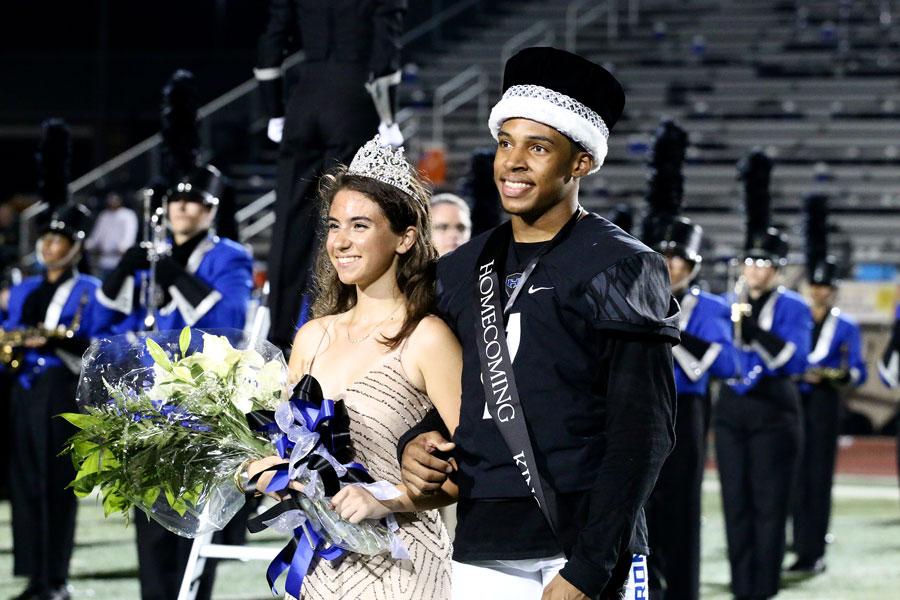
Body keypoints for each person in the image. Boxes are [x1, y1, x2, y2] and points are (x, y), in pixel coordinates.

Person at [398, 47, 680, 600]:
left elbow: (644, 430)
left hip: (581, 544)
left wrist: (588, 567)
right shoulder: (456, 271)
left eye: (538, 147)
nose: (513, 162)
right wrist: (417, 439)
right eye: (506, 142)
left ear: (581, 163)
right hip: (484, 540)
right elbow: (451, 391)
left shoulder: (621, 264)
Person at [249, 135, 458, 599]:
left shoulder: (428, 338)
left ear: (405, 237)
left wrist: (387, 497)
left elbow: (474, 468)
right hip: (321, 566)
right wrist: (268, 471)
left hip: (405, 567)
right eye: (334, 225)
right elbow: (291, 453)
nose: (340, 241)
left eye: (360, 225)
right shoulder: (312, 336)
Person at [94, 167, 253, 600]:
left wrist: (176, 277)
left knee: (191, 525)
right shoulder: (150, 260)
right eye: (177, 200)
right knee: (150, 524)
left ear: (211, 209)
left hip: (201, 406)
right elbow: (103, 324)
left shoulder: (230, 256)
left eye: (195, 200)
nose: (183, 207)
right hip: (146, 406)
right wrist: (121, 274)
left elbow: (230, 324)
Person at [255, 0, 407, 349]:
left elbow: (270, 41)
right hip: (354, 101)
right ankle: (330, 328)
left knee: (289, 225)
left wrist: (274, 110)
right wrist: (389, 117)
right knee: (346, 219)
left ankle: (279, 337)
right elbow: (387, 49)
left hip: (303, 99)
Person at [4, 203, 102, 600]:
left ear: (76, 246)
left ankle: (56, 578)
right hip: (22, 390)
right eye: (46, 238)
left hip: (61, 389)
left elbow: (96, 345)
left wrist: (59, 340)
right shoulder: (25, 288)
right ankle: (33, 576)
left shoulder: (89, 290)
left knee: (56, 483)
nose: (49, 246)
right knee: (24, 484)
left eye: (58, 239)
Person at [645, 217, 740, 600]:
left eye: (680, 259)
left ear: (694, 265)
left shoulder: (711, 306)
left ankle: (682, 590)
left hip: (686, 411)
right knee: (639, 503)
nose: (671, 265)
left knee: (682, 506)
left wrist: (667, 328)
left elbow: (725, 365)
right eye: (665, 256)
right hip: (642, 407)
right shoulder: (638, 296)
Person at [716, 226, 812, 600]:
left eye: (764, 263)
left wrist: (753, 329)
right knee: (735, 503)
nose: (754, 269)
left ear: (778, 270)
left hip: (774, 409)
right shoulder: (726, 302)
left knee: (769, 505)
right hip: (731, 409)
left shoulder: (793, 306)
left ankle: (764, 589)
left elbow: (796, 360)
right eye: (750, 261)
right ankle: (742, 588)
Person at [790, 257, 867, 574]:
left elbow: (858, 372)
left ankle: (813, 551)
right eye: (815, 285)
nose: (819, 292)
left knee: (818, 477)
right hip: (793, 402)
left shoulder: (846, 325)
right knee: (793, 476)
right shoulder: (795, 316)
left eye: (825, 287)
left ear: (834, 291)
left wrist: (831, 376)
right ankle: (797, 540)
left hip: (824, 404)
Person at [84, 191, 138, 278]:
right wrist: (86, 245)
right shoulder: (104, 215)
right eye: (110, 199)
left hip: (120, 262)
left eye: (115, 199)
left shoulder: (128, 215)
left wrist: (123, 248)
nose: (113, 202)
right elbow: (96, 236)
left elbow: (129, 236)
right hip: (103, 261)